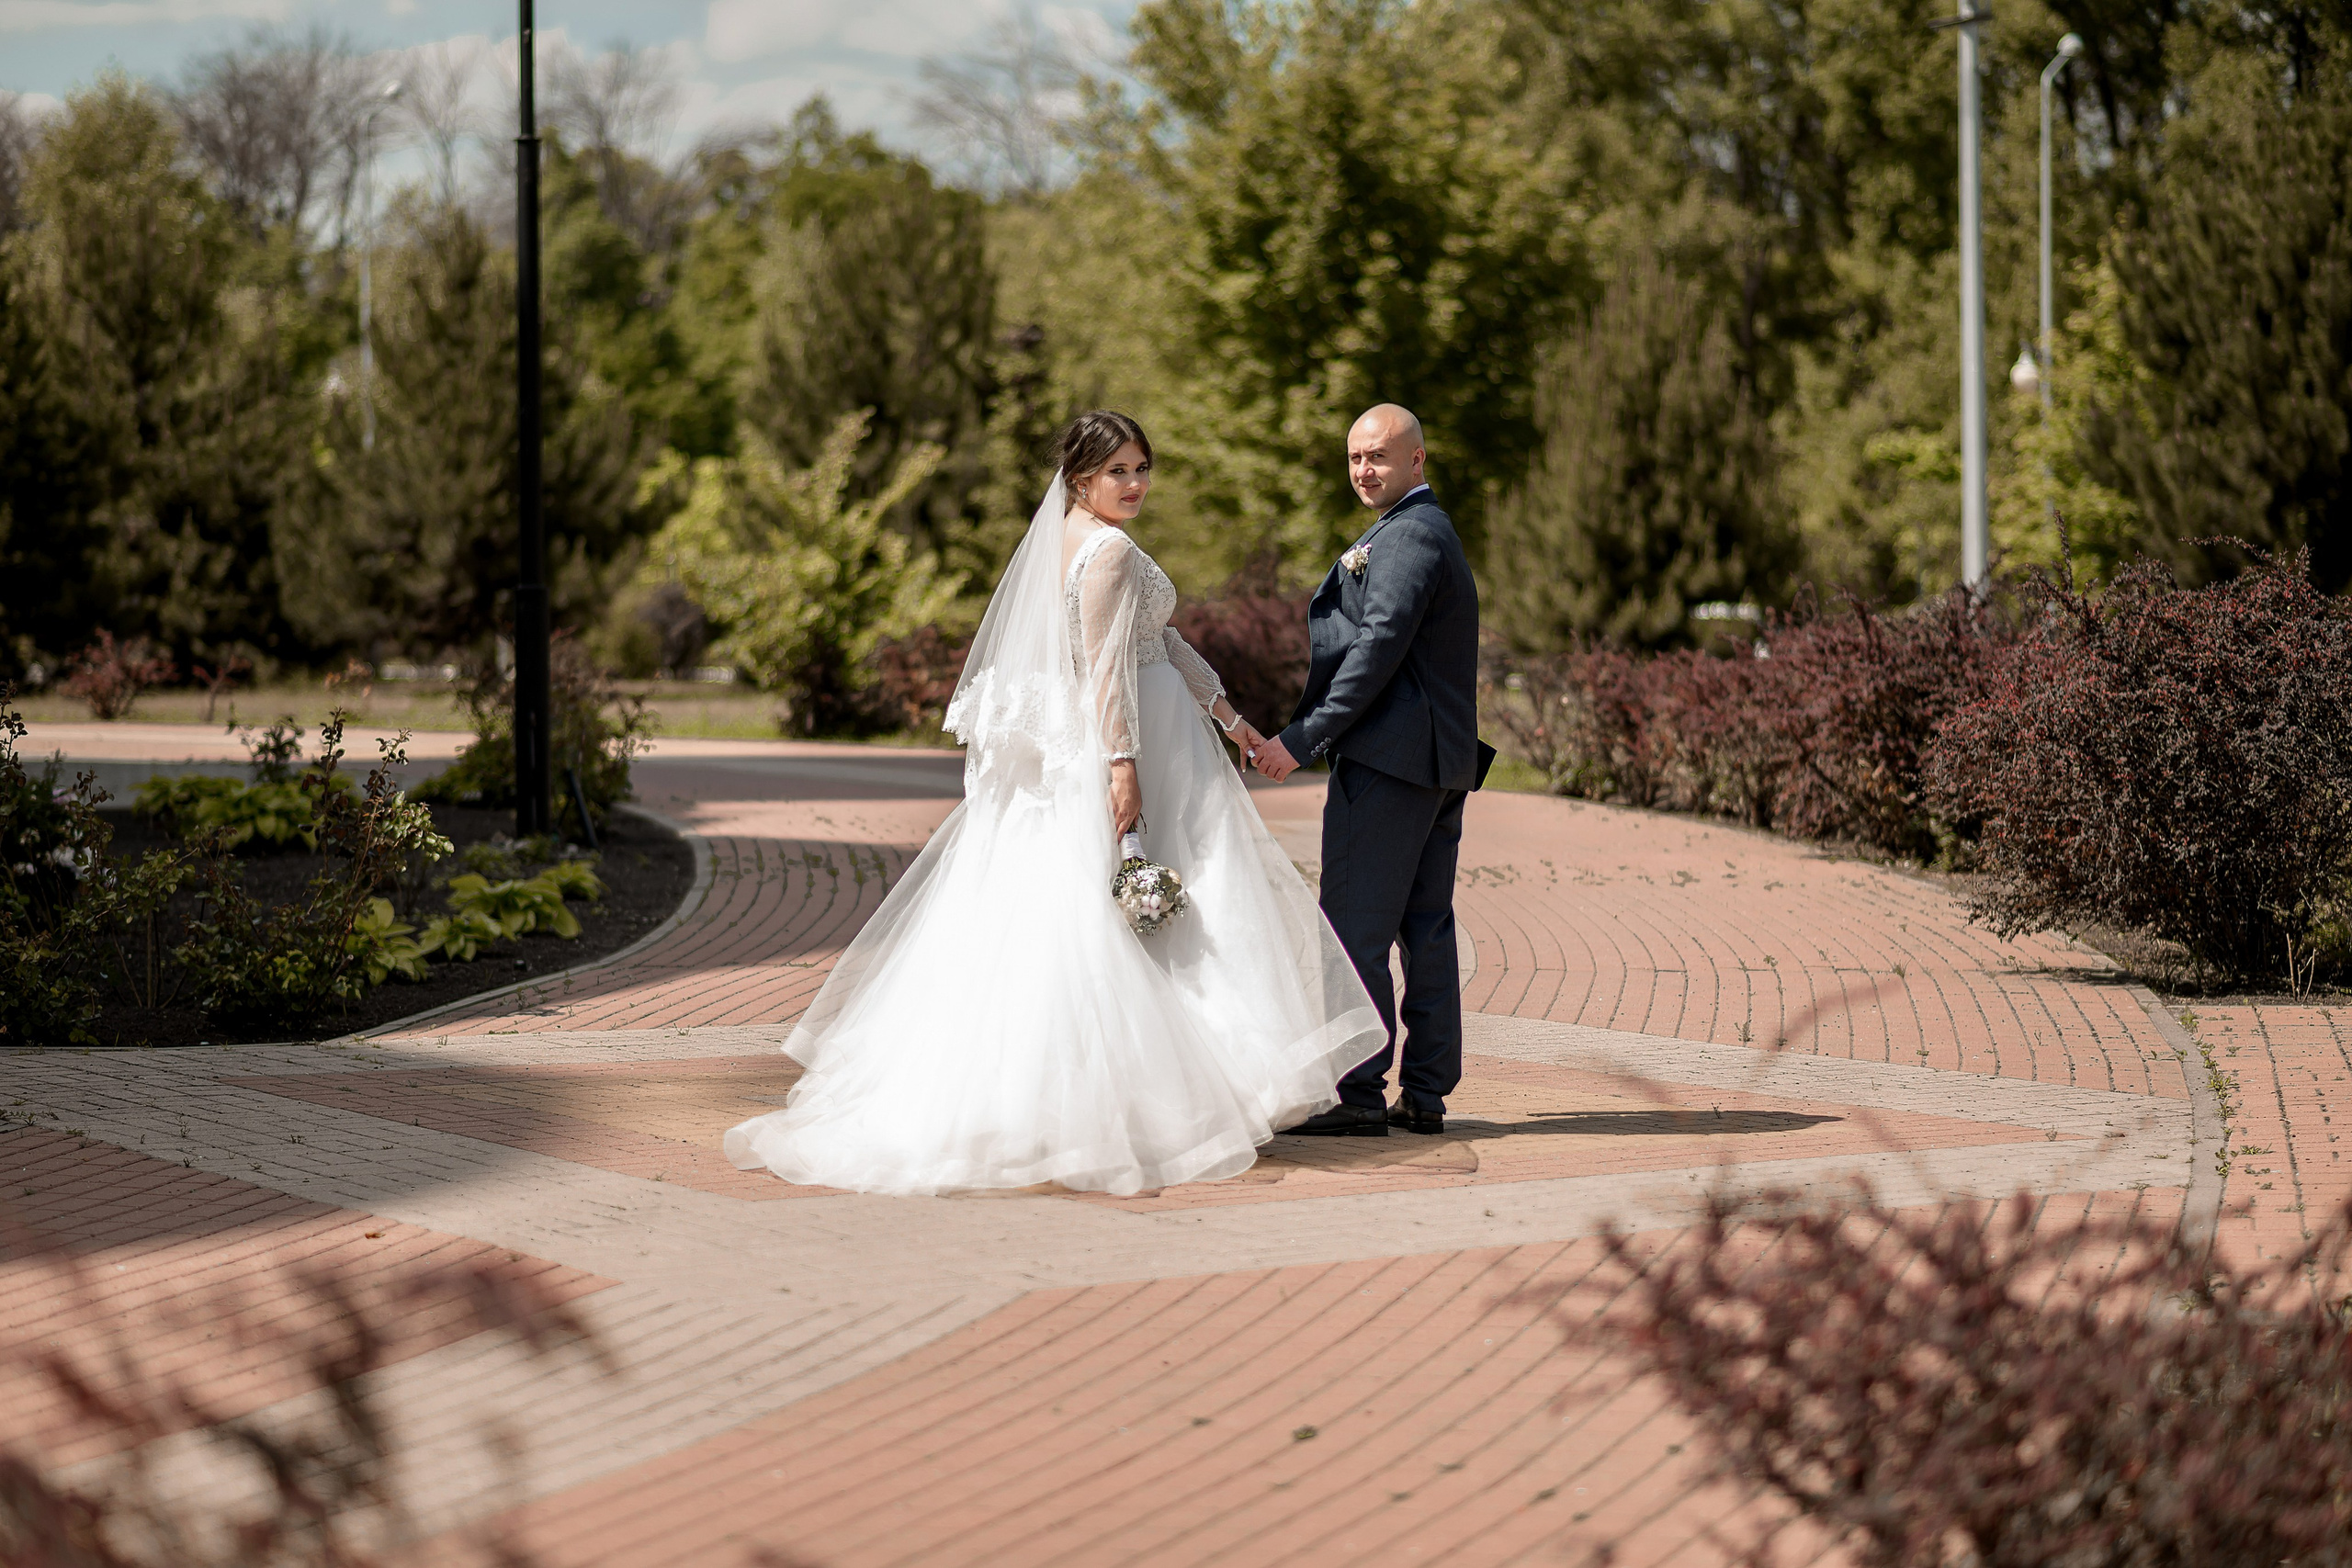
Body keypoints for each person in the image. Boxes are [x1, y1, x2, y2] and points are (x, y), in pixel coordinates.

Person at [723, 412, 1384, 1196]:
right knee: (1123, 919)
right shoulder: (1104, 553)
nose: (1135, 484)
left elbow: (1161, 640)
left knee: (1130, 916)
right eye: (1118, 472)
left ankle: (1149, 1092)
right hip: (1130, 746)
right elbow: (1107, 672)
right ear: (1079, 479)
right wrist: (1123, 768)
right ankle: (1124, 1106)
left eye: (1142, 468)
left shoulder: (1070, 541)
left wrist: (1231, 719)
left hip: (1157, 733)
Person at [1252, 404, 1487, 1137]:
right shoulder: (1418, 530)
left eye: (1379, 456)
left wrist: (1303, 737)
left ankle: (1355, 1092)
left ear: (1419, 460)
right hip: (1431, 764)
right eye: (1355, 457)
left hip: (1391, 763)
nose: (1364, 470)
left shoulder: (1413, 533)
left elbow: (1378, 647)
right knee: (1425, 927)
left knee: (1354, 925)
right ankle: (1423, 1092)